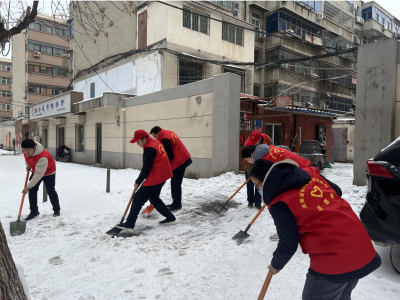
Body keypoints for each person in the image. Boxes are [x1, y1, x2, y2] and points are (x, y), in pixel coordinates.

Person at [249, 159, 381, 300]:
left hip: (335, 260)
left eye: (257, 186)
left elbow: (288, 243)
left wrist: (275, 265)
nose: (259, 190)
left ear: (265, 181)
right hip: (360, 245)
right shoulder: (309, 173)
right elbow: (337, 191)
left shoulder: (280, 203)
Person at [117, 130, 177, 232]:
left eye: (138, 141)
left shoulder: (150, 148)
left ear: (144, 139)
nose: (137, 144)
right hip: (162, 174)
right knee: (154, 198)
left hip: (157, 176)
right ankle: (170, 218)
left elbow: (146, 168)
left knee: (137, 197)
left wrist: (138, 181)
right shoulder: (154, 142)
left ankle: (130, 224)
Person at [150, 126, 192, 211]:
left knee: (175, 183)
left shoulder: (165, 139)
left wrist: (163, 166)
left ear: (158, 132)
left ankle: (177, 204)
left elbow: (169, 155)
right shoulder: (167, 133)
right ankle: (175, 202)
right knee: (175, 183)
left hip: (180, 161)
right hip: (182, 158)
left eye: (155, 136)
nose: (155, 138)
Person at [21, 139, 60, 220]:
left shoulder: (42, 156)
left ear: (34, 148)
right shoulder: (25, 151)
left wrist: (27, 187)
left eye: (29, 150)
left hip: (49, 172)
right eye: (25, 150)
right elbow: (27, 158)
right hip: (37, 170)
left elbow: (39, 174)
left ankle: (56, 209)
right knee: (32, 190)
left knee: (50, 190)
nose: (27, 152)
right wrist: (28, 165)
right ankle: (34, 211)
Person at [243, 131, 264, 209]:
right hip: (249, 166)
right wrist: (251, 173)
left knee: (258, 184)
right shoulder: (247, 145)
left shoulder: (266, 140)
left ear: (259, 139)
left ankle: (258, 202)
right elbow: (246, 160)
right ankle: (250, 202)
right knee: (250, 184)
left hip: (259, 166)